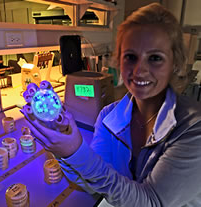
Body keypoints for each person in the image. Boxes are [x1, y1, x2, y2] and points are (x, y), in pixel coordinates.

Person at [21, 3, 201, 207]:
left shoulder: (193, 128)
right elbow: (92, 183)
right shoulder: (109, 116)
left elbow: (150, 202)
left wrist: (76, 151)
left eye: (155, 57)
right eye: (130, 56)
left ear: (175, 63)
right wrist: (65, 145)